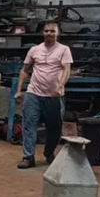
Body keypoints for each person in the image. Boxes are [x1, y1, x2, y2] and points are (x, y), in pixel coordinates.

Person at [14, 21, 72, 168]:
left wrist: (60, 85)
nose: (49, 34)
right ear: (43, 33)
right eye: (46, 31)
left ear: (57, 33)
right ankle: (28, 157)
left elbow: (66, 69)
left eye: (52, 31)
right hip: (33, 93)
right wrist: (19, 90)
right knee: (29, 125)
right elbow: (25, 70)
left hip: (54, 96)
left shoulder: (64, 50)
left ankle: (49, 152)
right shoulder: (34, 50)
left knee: (54, 128)